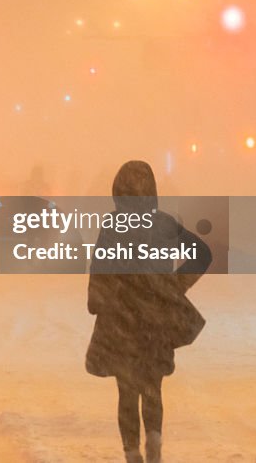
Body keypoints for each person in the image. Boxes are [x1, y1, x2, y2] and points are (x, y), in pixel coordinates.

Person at [85, 160, 212, 463]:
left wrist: (97, 301)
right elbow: (203, 254)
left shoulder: (113, 225)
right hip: (156, 318)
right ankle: (154, 438)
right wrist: (175, 285)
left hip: (121, 319)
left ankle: (132, 452)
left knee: (126, 390)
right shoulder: (165, 223)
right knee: (152, 385)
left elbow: (100, 270)